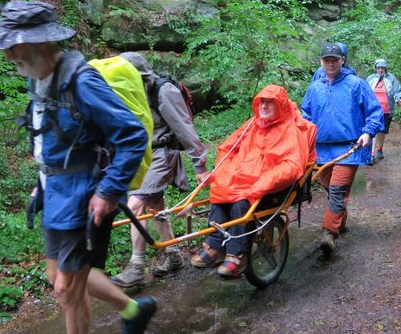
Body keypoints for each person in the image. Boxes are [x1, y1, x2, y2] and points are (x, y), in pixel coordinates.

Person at [0, 0, 157, 334]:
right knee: (55, 275)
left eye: (16, 44)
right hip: (55, 193)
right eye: (7, 45)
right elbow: (50, 141)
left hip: (85, 197)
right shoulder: (40, 76)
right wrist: (38, 185)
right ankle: (133, 310)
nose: (9, 53)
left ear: (43, 43)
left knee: (67, 289)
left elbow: (131, 134)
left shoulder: (82, 81)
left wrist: (110, 191)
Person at [190, 84, 316, 278]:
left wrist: (262, 183)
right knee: (220, 191)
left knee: (240, 202)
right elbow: (228, 149)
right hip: (246, 176)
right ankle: (215, 246)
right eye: (262, 102)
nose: (264, 107)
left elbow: (292, 165)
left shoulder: (290, 130)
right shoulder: (252, 124)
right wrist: (221, 174)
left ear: (280, 105)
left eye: (270, 103)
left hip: (271, 184)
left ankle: (237, 256)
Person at [110, 52, 208, 288]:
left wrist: (200, 164)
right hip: (141, 155)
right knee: (155, 206)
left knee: (135, 205)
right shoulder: (130, 91)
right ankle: (174, 255)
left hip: (163, 154)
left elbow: (185, 129)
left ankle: (135, 267)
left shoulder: (163, 92)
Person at [301, 43, 384, 256]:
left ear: (342, 60)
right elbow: (306, 114)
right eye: (327, 60)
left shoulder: (356, 84)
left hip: (350, 148)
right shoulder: (315, 87)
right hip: (321, 149)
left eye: (334, 60)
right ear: (321, 62)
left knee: (337, 190)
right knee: (329, 188)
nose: (331, 63)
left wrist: (368, 132)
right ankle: (340, 219)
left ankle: (328, 234)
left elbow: (375, 112)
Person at [365, 58, 401, 164]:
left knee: (382, 131)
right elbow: (364, 91)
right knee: (373, 130)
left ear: (385, 69)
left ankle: (379, 149)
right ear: (375, 68)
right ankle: (371, 155)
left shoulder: (391, 78)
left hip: (387, 110)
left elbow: (397, 91)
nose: (380, 70)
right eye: (378, 68)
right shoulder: (370, 78)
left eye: (382, 68)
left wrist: (399, 98)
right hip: (373, 110)